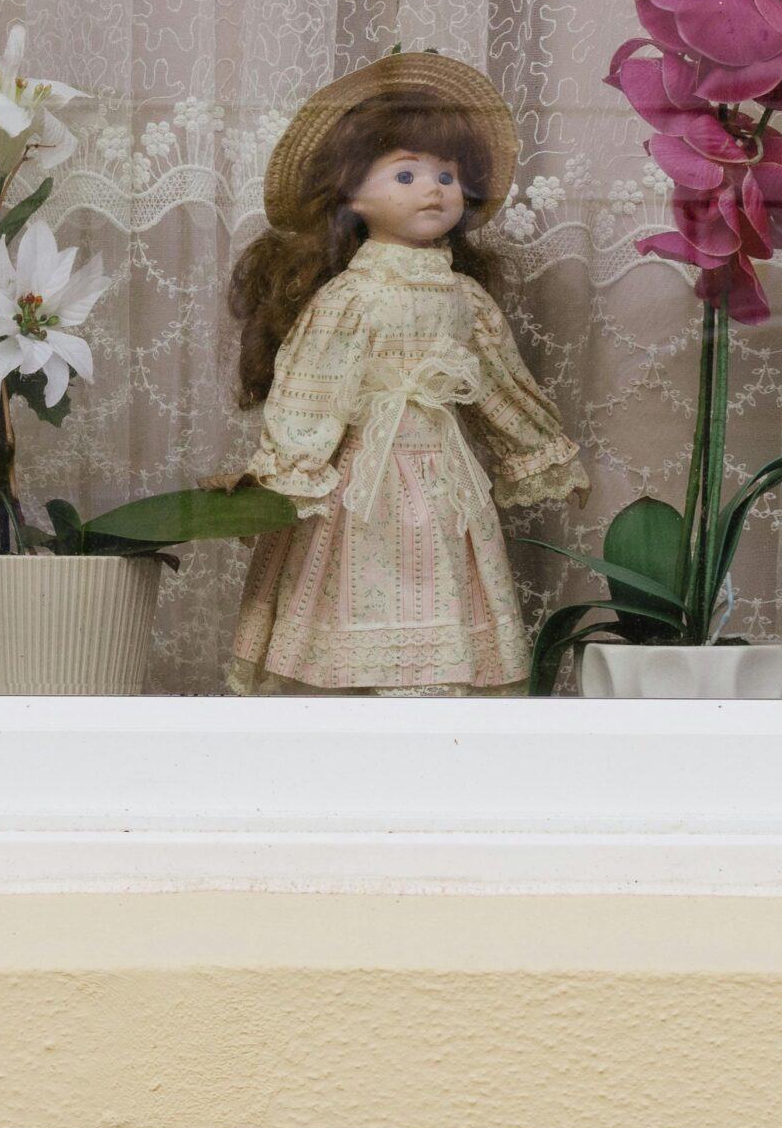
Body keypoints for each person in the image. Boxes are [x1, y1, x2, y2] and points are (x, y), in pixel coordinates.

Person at [223, 52, 587, 695]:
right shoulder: (349, 298)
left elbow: (499, 384)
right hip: (359, 485)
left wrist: (537, 449)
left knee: (443, 581)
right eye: (408, 172)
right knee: (354, 586)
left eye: (447, 174)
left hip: (443, 477)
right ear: (352, 193)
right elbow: (312, 388)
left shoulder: (465, 299)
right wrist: (287, 471)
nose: (434, 188)